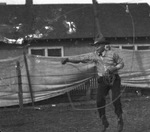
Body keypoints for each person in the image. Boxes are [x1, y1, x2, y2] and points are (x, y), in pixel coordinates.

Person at [61, 40, 124, 132]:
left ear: (103, 45)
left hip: (114, 79)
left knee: (115, 99)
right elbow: (81, 58)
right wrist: (67, 59)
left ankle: (119, 120)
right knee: (99, 101)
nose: (96, 47)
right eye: (95, 46)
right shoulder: (94, 55)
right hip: (103, 80)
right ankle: (104, 121)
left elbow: (121, 63)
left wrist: (114, 68)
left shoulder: (112, 54)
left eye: (98, 45)